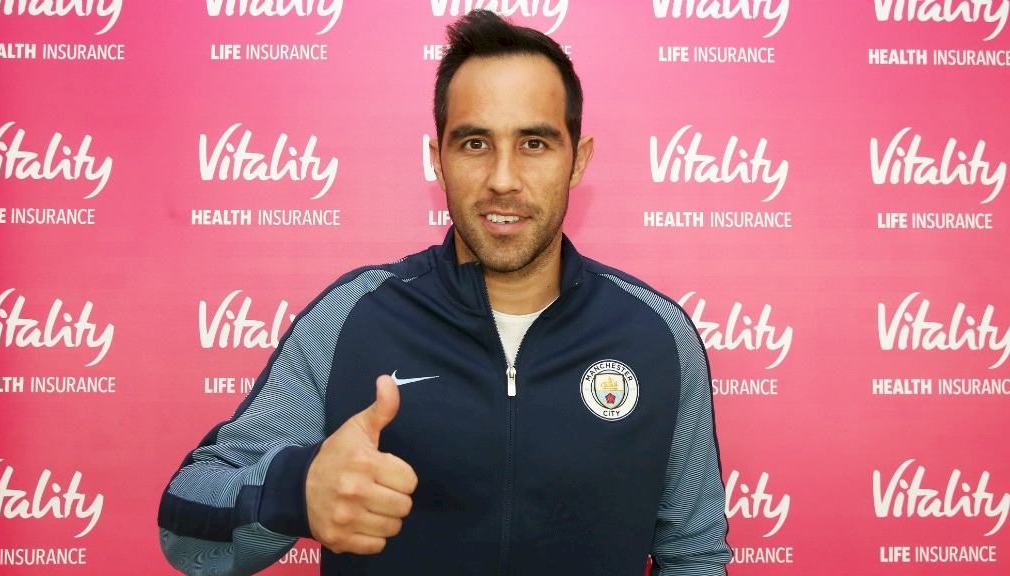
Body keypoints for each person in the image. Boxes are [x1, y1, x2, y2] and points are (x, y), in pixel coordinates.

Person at [158, 10, 731, 576]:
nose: (503, 179)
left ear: (577, 161)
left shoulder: (658, 337)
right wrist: (293, 491)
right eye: (475, 143)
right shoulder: (351, 318)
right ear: (438, 160)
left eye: (534, 143)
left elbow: (695, 557)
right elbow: (182, 530)